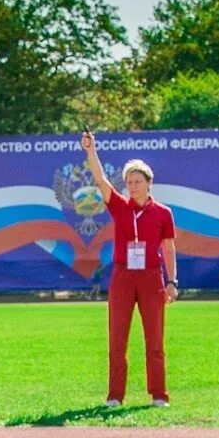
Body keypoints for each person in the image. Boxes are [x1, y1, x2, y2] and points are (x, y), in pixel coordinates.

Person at [81, 130, 177, 408]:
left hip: (151, 276)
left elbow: (168, 248)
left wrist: (172, 281)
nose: (133, 186)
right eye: (129, 182)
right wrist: (91, 151)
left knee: (155, 340)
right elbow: (100, 179)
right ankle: (114, 395)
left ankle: (159, 394)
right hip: (123, 276)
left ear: (149, 183)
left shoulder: (163, 213)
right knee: (117, 339)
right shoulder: (120, 207)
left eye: (138, 181)